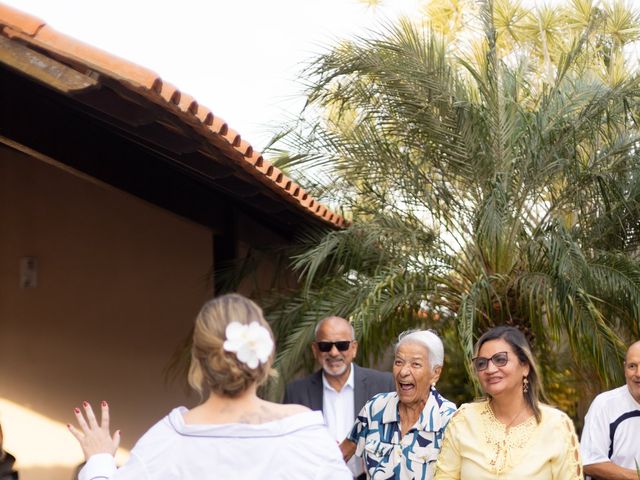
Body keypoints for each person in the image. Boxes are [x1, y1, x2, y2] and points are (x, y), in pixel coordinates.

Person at [68, 293, 351, 480]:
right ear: (265, 354)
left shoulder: (168, 440)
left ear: (200, 360)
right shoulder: (305, 433)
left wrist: (99, 461)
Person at [433, 325, 582, 479]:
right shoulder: (464, 419)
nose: (490, 369)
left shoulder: (556, 425)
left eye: (500, 359)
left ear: (525, 367)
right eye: (482, 363)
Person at [283, 316, 395, 479]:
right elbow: (290, 449)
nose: (334, 352)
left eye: (342, 345)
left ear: (354, 348)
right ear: (315, 350)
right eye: (325, 346)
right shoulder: (296, 392)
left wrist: (359, 443)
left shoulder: (384, 385)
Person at [339, 329, 457, 480]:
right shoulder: (375, 408)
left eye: (415, 364)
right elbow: (341, 455)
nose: (403, 372)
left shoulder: (450, 420)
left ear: (435, 373)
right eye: (398, 362)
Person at [580, 340, 640, 480]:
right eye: (632, 366)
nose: (638, 373)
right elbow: (588, 462)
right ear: (624, 368)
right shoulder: (604, 405)